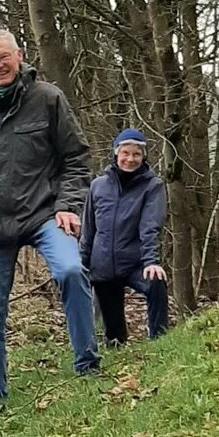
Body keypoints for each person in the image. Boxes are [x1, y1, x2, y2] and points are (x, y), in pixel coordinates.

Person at [0, 29, 99, 406]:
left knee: (69, 269)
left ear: (20, 55)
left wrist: (68, 205)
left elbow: (76, 158)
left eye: (3, 57)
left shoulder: (48, 98)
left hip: (44, 212)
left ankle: (88, 364)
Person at [80, 129, 170, 344]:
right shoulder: (98, 186)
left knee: (156, 282)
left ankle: (159, 341)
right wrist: (81, 264)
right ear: (116, 154)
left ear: (143, 156)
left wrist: (151, 261)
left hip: (134, 263)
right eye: (126, 153)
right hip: (103, 268)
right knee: (115, 339)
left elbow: (150, 226)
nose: (130, 159)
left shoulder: (152, 186)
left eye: (136, 154)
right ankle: (117, 355)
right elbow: (88, 230)